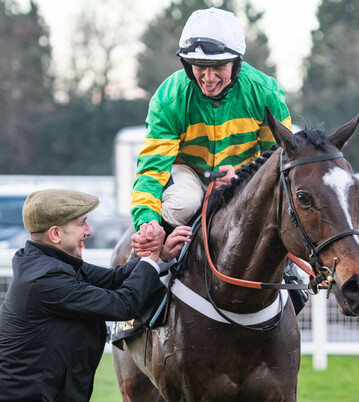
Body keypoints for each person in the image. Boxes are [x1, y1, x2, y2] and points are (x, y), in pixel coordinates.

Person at [129, 7, 308, 312]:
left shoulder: (265, 92)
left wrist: (242, 175)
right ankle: (148, 270)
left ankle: (287, 272)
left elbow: (279, 159)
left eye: (218, 67)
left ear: (236, 63)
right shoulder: (170, 96)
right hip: (190, 172)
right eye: (199, 66)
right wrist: (146, 223)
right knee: (184, 202)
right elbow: (151, 170)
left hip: (247, 177)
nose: (208, 78)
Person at [0, 189, 190, 402]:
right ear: (55, 234)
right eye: (81, 223)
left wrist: (161, 257)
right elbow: (122, 305)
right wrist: (149, 260)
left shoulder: (50, 262)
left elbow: (115, 279)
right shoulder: (46, 278)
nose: (88, 231)